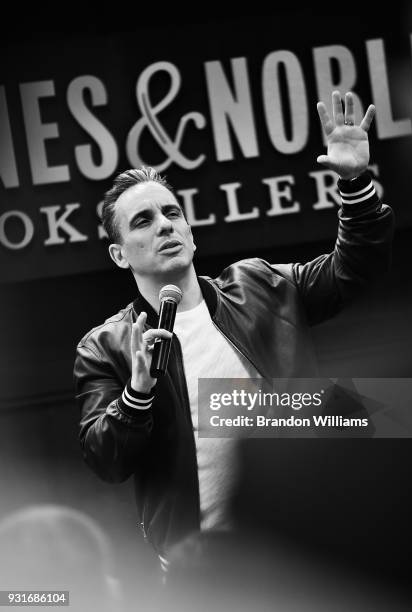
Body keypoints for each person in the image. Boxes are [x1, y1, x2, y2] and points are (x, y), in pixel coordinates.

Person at [74, 91, 394, 567]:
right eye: (143, 221)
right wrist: (136, 396)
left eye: (172, 213)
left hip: (307, 550)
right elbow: (105, 460)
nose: (165, 225)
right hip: (207, 573)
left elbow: (354, 270)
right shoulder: (106, 347)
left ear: (190, 231)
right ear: (120, 254)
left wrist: (355, 184)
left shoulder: (259, 284)